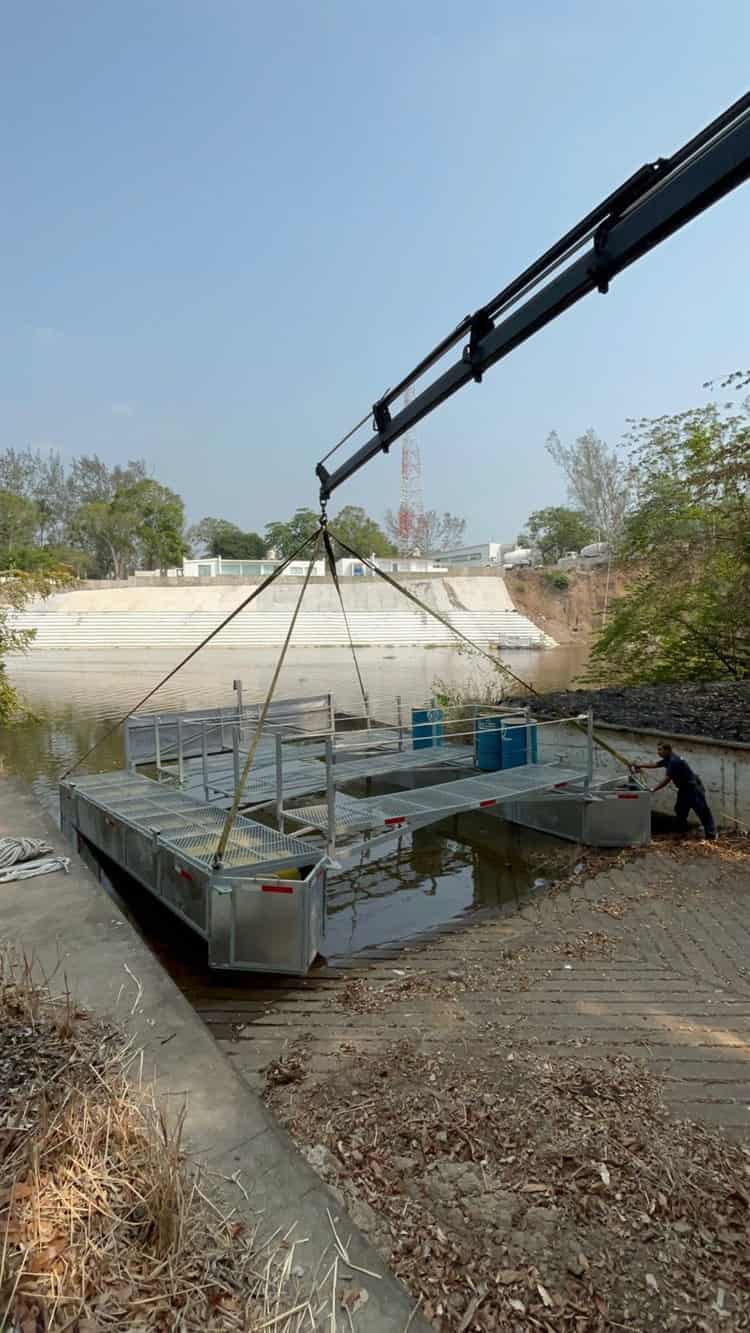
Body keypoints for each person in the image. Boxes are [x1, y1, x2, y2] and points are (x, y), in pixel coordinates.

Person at [633, 742, 717, 840]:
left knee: (702, 811)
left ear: (668, 750)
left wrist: (653, 789)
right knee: (680, 810)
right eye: (658, 750)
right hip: (684, 789)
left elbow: (667, 780)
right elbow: (655, 764)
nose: (658, 752)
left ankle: (711, 834)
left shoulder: (674, 761)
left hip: (693, 789)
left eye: (660, 750)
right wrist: (640, 765)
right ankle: (682, 832)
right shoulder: (668, 759)